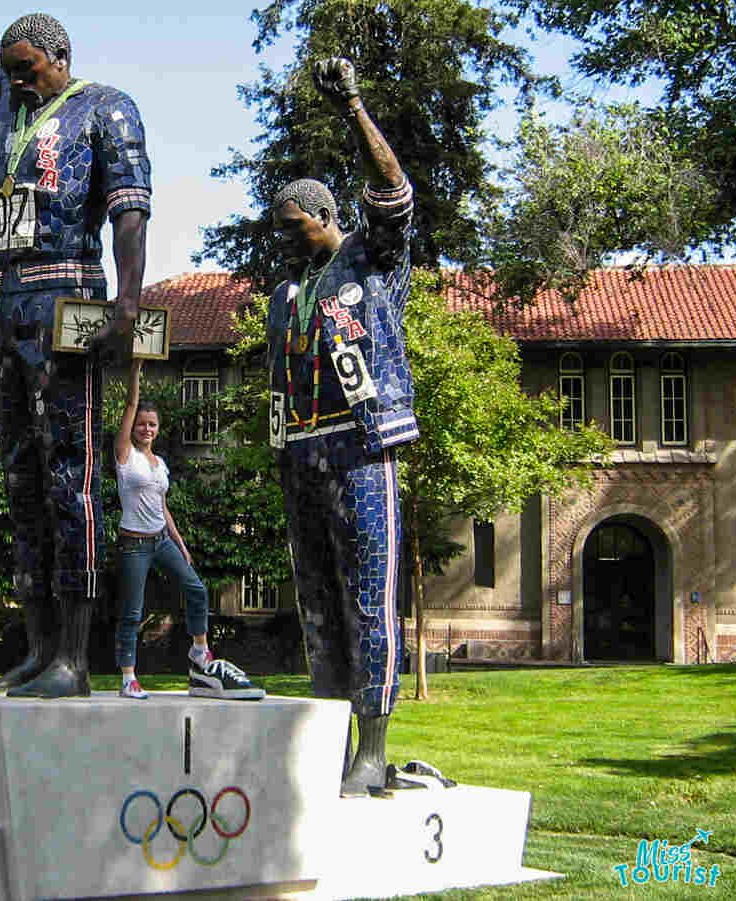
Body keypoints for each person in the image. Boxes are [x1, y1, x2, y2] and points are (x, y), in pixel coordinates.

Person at [0, 0, 152, 698]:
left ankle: (76, 659)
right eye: (10, 74)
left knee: (71, 476)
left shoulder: (106, 109)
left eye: (27, 72)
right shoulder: (10, 103)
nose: (16, 84)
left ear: (60, 60)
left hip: (69, 294)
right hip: (5, 300)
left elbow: (130, 210)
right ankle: (36, 645)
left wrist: (127, 301)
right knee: (20, 476)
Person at [265, 58, 418, 795]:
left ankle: (372, 746)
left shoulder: (372, 259)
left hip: (361, 449)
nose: (286, 243)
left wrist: (354, 104)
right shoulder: (285, 293)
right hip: (301, 453)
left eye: (294, 229)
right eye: (279, 233)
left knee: (367, 598)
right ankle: (328, 737)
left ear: (326, 218)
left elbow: (392, 192)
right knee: (317, 605)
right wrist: (279, 450)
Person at [113, 358, 263, 701]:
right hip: (134, 544)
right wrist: (135, 373)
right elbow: (131, 404)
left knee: (197, 589)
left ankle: (199, 651)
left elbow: (162, 507)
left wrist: (180, 544)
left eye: (152, 425)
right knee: (133, 612)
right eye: (141, 424)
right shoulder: (125, 456)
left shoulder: (159, 464)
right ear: (132, 428)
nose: (146, 429)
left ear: (158, 429)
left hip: (162, 539)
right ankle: (128, 678)